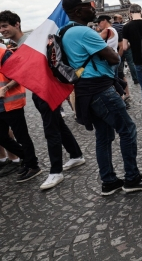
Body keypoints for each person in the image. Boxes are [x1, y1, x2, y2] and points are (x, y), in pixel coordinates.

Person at [61, 0, 142, 196]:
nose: (93, 8)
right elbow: (114, 58)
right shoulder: (84, 32)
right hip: (100, 89)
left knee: (104, 136)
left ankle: (109, 180)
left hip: (85, 91)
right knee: (128, 129)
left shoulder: (65, 31)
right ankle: (132, 178)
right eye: (89, 5)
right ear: (78, 10)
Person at [0, 10, 85, 189]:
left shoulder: (30, 43)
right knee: (59, 126)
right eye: (0, 27)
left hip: (45, 90)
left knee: (51, 130)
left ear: (17, 24)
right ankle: (76, 155)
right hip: (39, 92)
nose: (2, 30)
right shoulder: (23, 45)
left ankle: (55, 172)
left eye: (5, 26)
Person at [0, 11, 42, 183]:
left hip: (10, 102)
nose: (1, 30)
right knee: (2, 137)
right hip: (2, 104)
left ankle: (32, 165)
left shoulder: (3, 53)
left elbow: (19, 75)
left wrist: (5, 88)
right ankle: (27, 157)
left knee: (21, 135)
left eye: (4, 26)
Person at [122, 4, 142, 124]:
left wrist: (132, 43)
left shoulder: (127, 27)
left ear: (130, 12)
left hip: (138, 60)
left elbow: (124, 47)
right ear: (141, 11)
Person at [113, 14, 139, 85]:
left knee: (119, 63)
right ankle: (135, 79)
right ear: (119, 19)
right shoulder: (124, 26)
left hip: (118, 48)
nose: (122, 20)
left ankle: (120, 78)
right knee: (131, 63)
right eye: (121, 19)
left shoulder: (111, 28)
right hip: (126, 46)